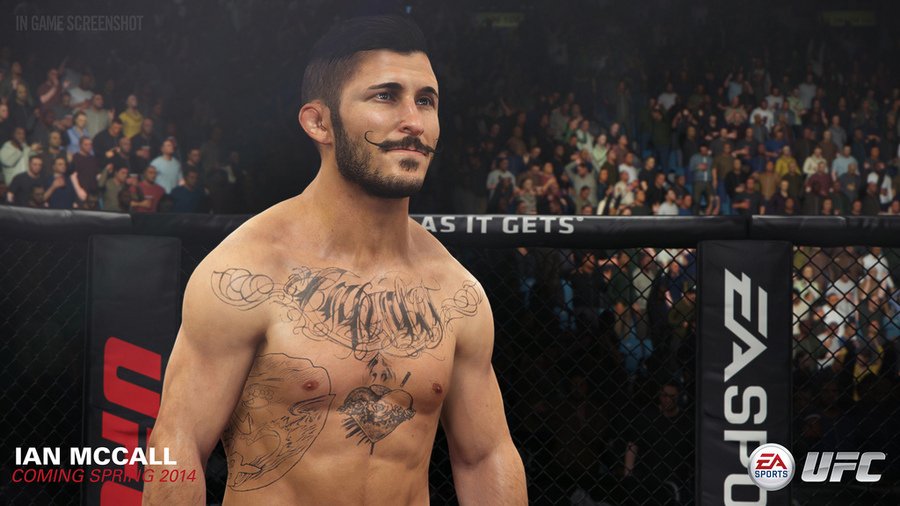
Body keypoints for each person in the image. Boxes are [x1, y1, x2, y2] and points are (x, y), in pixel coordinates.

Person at [145, 15, 526, 506]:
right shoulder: (246, 272)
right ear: (319, 122)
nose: (414, 121)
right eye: (385, 96)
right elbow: (177, 444)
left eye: (426, 100)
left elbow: (486, 456)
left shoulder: (455, 291)